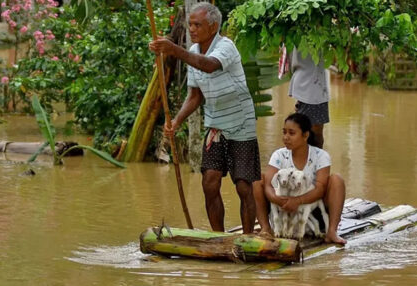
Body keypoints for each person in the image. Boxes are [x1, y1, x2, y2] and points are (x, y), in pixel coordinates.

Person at [149, 3, 260, 234]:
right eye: (190, 24)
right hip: (216, 125)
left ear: (213, 27)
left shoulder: (226, 46)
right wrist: (176, 122)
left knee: (243, 185)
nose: (192, 29)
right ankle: (219, 237)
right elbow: (195, 96)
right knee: (209, 182)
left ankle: (248, 237)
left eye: (197, 24)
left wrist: (174, 50)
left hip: (241, 123)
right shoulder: (195, 53)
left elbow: (209, 66)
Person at [253, 113, 347, 244]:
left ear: (305, 135)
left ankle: (331, 231)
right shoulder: (278, 155)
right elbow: (268, 185)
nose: (286, 137)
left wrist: (297, 201)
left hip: (311, 213)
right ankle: (266, 228)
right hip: (283, 212)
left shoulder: (321, 156)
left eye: (291, 133)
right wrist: (279, 200)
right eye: (284, 132)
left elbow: (320, 188)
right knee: (257, 180)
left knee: (337, 180)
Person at [288, 48, 330, 149]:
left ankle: (310, 162)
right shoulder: (318, 34)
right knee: (313, 135)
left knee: (305, 133)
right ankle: (313, 163)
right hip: (312, 86)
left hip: (308, 83)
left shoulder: (293, 34)